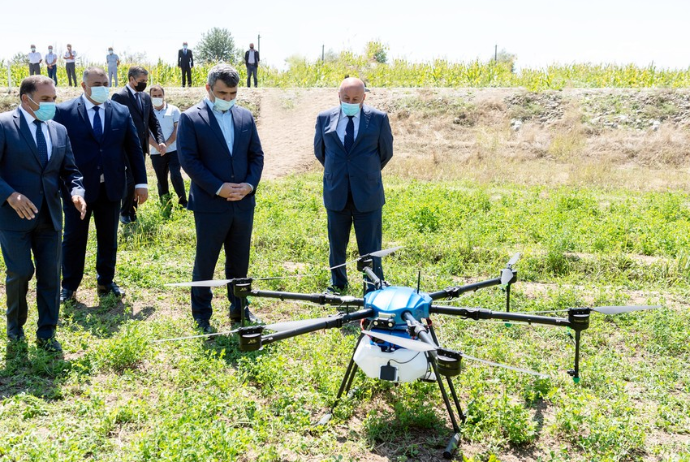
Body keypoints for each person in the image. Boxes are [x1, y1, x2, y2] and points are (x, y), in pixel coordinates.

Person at [0, 76, 86, 352]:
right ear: (27, 99)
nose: (52, 105)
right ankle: (15, 327)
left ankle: (47, 332)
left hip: (50, 215)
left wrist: (77, 191)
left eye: (53, 99)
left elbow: (70, 171)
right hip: (14, 216)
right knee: (20, 272)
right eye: (46, 100)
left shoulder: (59, 130)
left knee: (50, 275)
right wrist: (10, 194)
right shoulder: (4, 125)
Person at [178, 64, 264, 332]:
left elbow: (256, 156)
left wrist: (249, 185)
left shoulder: (245, 117)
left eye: (232, 93)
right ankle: (201, 314)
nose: (228, 98)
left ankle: (239, 309)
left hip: (242, 203)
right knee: (206, 261)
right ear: (208, 89)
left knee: (239, 261)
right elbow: (189, 160)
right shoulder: (191, 118)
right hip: (210, 204)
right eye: (222, 93)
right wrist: (218, 187)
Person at [54, 67, 148, 303]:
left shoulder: (120, 111)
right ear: (84, 86)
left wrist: (141, 182)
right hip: (77, 191)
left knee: (109, 237)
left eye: (105, 83)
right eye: (96, 83)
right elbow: (58, 152)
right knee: (74, 238)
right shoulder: (64, 112)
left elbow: (134, 150)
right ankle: (69, 286)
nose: (102, 87)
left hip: (112, 187)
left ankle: (105, 281)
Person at [313, 77, 393, 293]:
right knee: (336, 246)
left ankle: (373, 286)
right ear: (339, 96)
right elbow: (321, 152)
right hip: (336, 192)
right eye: (346, 97)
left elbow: (385, 153)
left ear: (363, 98)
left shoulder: (378, 119)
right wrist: (340, 173)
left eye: (355, 98)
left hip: (367, 194)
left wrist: (364, 173)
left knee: (371, 247)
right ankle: (338, 284)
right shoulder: (324, 118)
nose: (350, 101)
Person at [112, 66, 165, 224]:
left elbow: (152, 121)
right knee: (130, 179)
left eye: (146, 82)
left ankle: (133, 210)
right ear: (131, 79)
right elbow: (113, 122)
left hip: (140, 146)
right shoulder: (120, 96)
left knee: (138, 179)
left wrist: (160, 140)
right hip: (124, 146)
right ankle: (124, 212)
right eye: (141, 81)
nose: (144, 84)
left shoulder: (145, 97)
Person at [148, 85, 187, 207]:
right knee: (161, 178)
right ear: (150, 97)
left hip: (173, 149)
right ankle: (166, 203)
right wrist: (158, 146)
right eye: (154, 96)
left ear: (164, 96)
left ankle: (183, 202)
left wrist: (167, 144)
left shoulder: (174, 110)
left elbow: (178, 129)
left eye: (160, 95)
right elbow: (146, 133)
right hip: (156, 151)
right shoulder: (147, 113)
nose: (157, 97)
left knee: (175, 174)